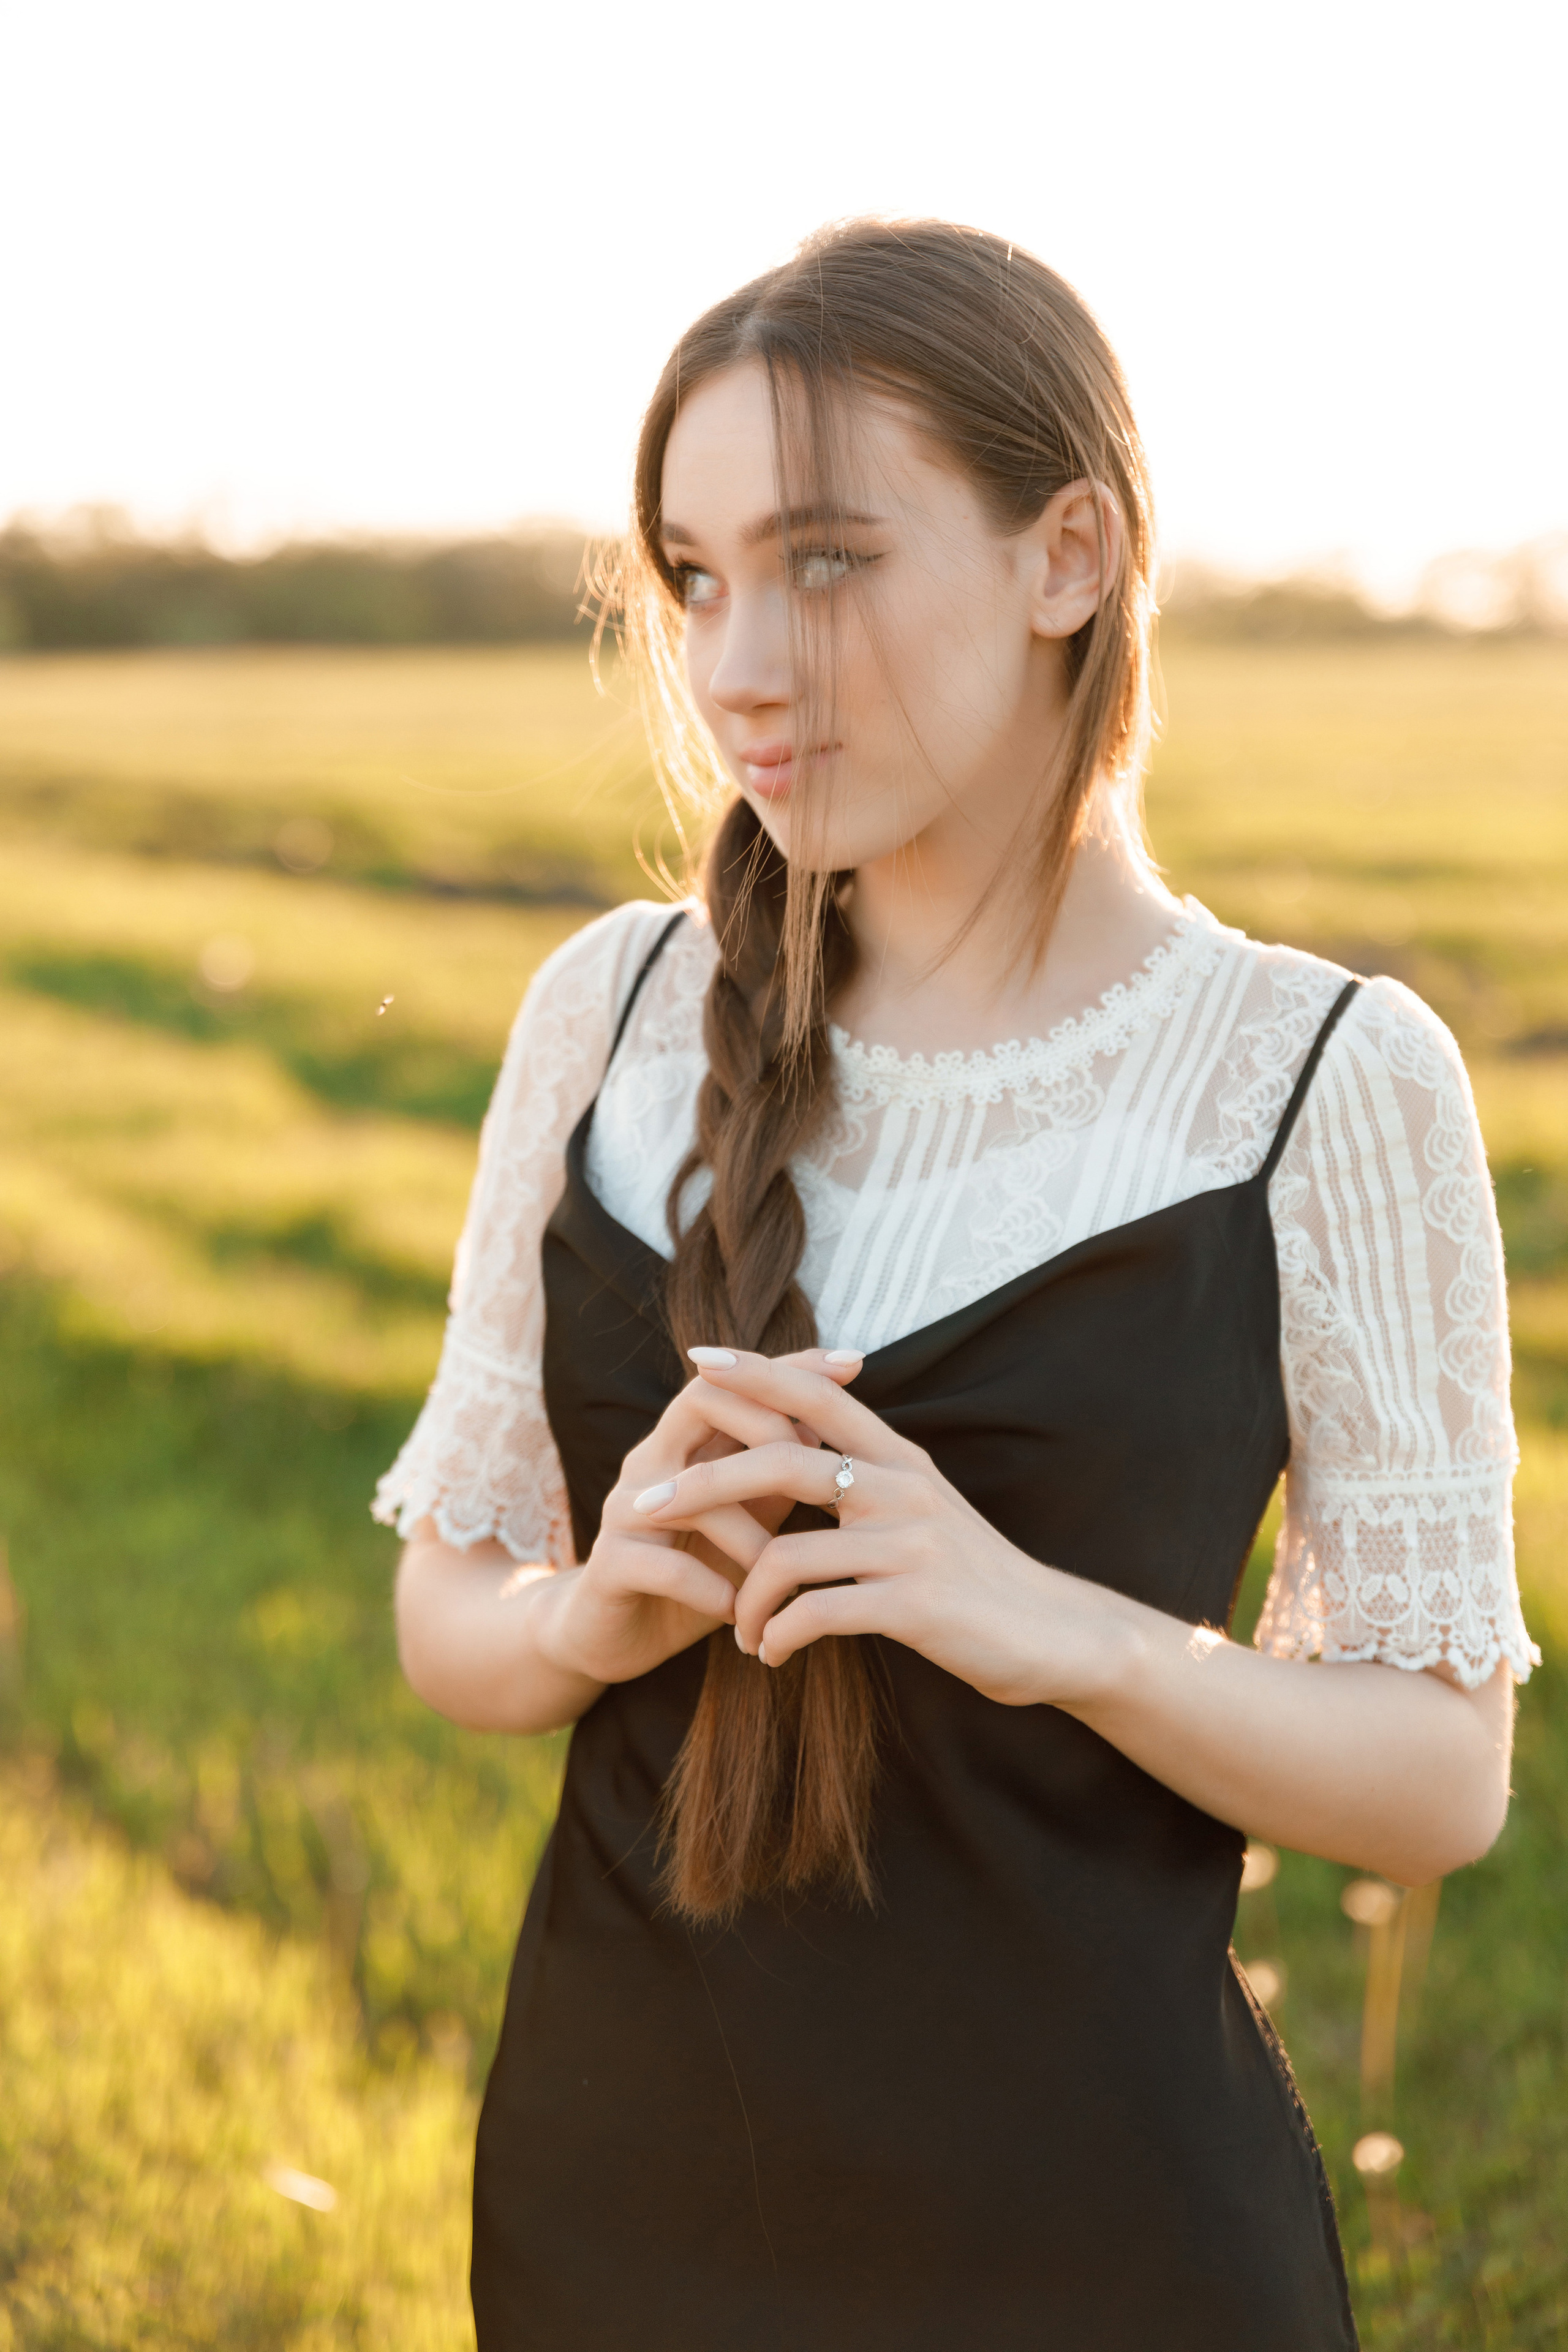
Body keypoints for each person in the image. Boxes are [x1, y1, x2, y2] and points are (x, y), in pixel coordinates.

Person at [375, 220, 1536, 2351]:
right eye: (696, 576)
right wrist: (588, 1612)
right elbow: (453, 1616)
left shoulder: (1316, 1081)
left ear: (1067, 552)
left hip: (1098, 2245)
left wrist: (1065, 1636)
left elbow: (1438, 1777)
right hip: (608, 2199)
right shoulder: (609, 1011)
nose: (733, 661)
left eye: (826, 558)